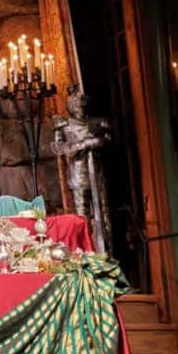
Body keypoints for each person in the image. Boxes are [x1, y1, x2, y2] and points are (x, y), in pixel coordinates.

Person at [52, 85, 112, 253]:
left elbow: (108, 138)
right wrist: (83, 144)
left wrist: (98, 141)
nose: (80, 105)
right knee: (82, 217)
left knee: (104, 216)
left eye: (82, 102)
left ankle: (106, 252)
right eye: (76, 102)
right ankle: (86, 253)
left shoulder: (98, 122)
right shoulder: (63, 125)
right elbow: (58, 148)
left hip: (97, 174)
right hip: (78, 174)